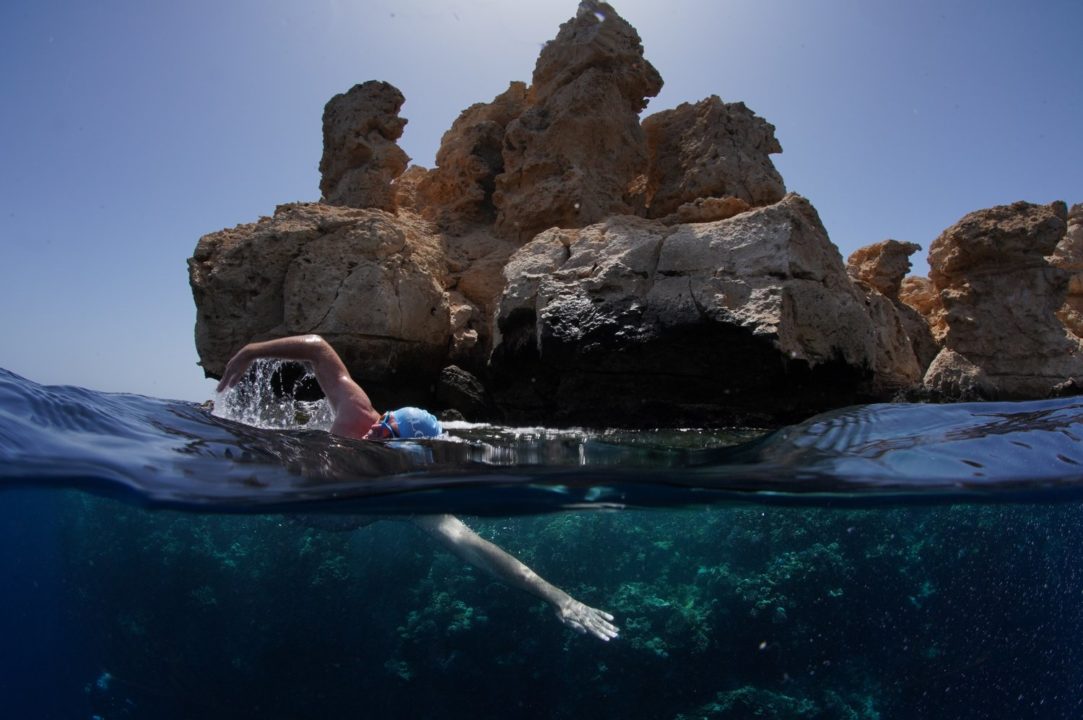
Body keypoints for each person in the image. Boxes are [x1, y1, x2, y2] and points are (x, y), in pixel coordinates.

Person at [216, 334, 619, 641]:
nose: (371, 433)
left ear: (403, 457)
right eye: (380, 423)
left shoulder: (413, 499)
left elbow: (480, 551)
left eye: (384, 435)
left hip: (311, 512)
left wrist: (558, 598)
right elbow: (319, 349)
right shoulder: (357, 414)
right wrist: (253, 350)